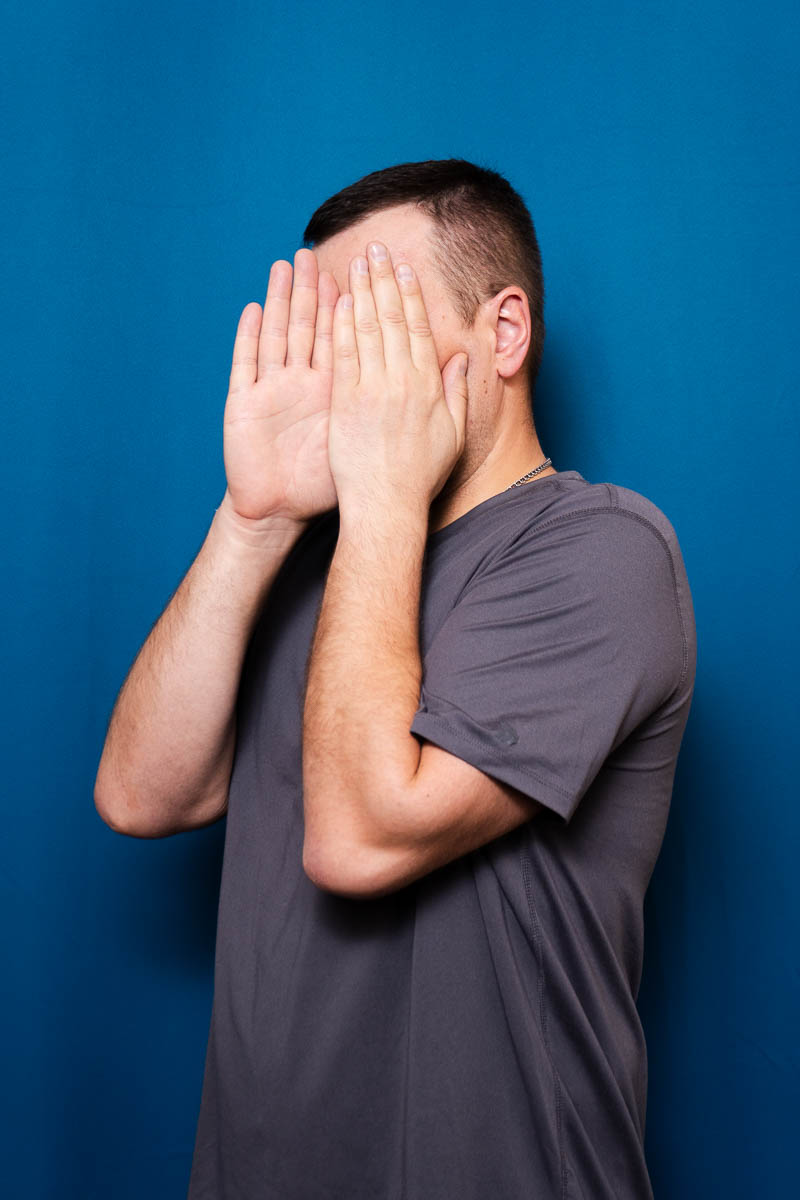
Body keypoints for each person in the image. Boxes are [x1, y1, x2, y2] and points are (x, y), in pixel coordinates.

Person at [94, 158, 697, 1200]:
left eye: (385, 322)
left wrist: (379, 498)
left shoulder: (600, 551)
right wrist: (256, 521)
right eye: (339, 339)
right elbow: (141, 794)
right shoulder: (316, 566)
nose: (354, 376)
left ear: (502, 335)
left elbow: (362, 837)